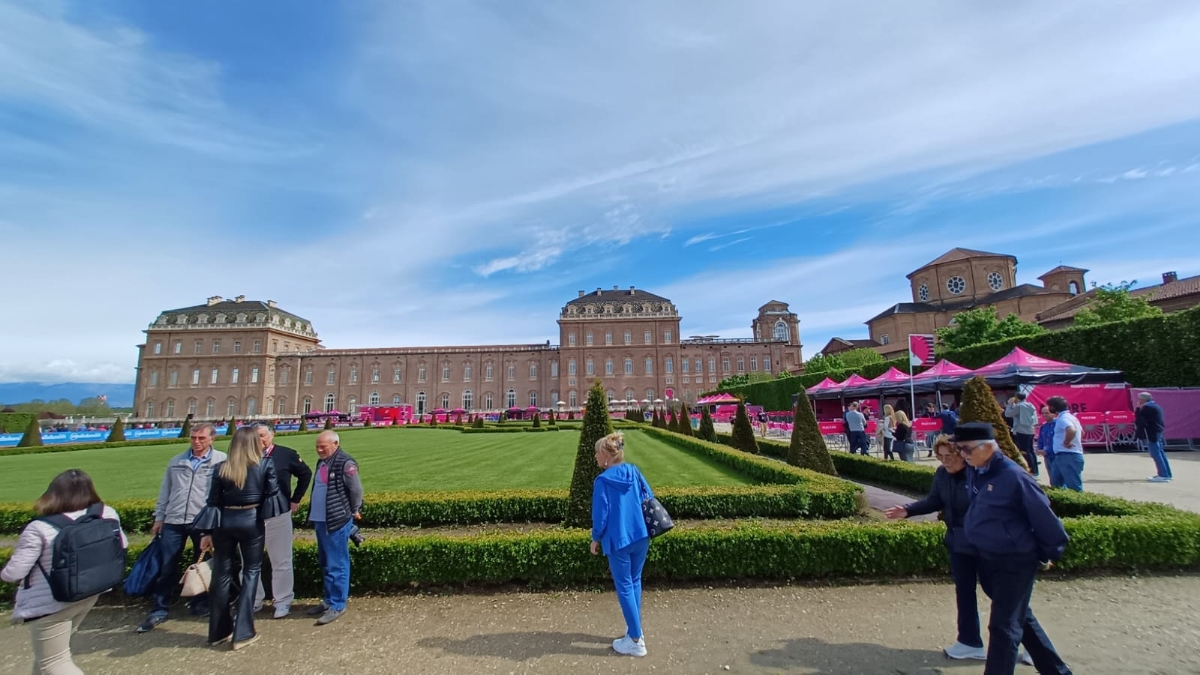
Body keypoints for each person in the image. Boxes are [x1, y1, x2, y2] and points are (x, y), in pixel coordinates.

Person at [956, 423, 1072, 675]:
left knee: (1003, 627)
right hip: (988, 558)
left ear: (988, 447)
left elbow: (1044, 517)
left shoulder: (1013, 475)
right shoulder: (977, 470)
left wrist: (1049, 553)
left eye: (966, 449)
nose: (963, 454)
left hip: (1014, 560)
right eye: (960, 449)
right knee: (1021, 620)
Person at [2, 470, 129, 674]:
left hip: (50, 603)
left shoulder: (39, 528)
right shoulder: (106, 513)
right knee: (49, 657)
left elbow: (14, 573)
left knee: (54, 662)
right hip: (88, 592)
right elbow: (123, 544)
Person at [197, 427, 288, 650]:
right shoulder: (264, 464)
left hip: (224, 522)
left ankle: (219, 631)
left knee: (221, 574)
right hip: (250, 520)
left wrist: (206, 533)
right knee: (251, 572)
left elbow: (213, 502)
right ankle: (243, 631)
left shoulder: (221, 468)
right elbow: (273, 494)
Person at [138, 422, 228, 633]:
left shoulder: (221, 461)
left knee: (203, 566)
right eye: (194, 438)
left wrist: (215, 524)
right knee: (167, 566)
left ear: (212, 439)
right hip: (174, 520)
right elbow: (165, 491)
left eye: (202, 438)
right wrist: (159, 517)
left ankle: (199, 603)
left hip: (202, 521)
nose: (197, 442)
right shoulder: (176, 461)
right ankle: (160, 607)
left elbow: (223, 495)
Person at [590, 432, 654, 658]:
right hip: (641, 535)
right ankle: (634, 628)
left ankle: (636, 640)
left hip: (619, 539)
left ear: (606, 456)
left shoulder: (603, 480)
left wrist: (595, 538)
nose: (595, 458)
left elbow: (601, 515)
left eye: (597, 453)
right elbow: (649, 496)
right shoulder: (634, 471)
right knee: (634, 581)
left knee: (625, 586)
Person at [252, 423, 313, 618]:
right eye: (255, 436)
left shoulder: (286, 454)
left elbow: (305, 473)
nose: (259, 440)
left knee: (281, 560)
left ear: (272, 435)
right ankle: (253, 601)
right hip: (250, 515)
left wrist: (296, 499)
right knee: (249, 562)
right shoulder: (244, 456)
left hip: (278, 513)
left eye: (262, 435)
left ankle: (283, 601)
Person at [305, 430, 363, 625]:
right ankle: (329, 600)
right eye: (317, 446)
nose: (319, 450)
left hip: (336, 519)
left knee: (337, 563)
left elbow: (356, 489)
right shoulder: (323, 462)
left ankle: (338, 604)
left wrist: (354, 510)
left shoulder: (345, 463)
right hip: (322, 520)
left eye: (323, 446)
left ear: (335, 444)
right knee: (326, 561)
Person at [1047, 397, 1084, 492]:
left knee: (1073, 487)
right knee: (1056, 485)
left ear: (1053, 407)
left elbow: (1071, 430)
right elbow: (1082, 432)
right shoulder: (1072, 417)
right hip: (1061, 455)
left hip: (1068, 455)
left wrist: (1066, 442)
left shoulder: (1063, 418)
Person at [1135, 392, 1171, 483]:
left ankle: (1163, 475)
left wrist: (1138, 408)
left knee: (1155, 453)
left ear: (1142, 400)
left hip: (1152, 433)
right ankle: (1166, 474)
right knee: (1160, 453)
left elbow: (1139, 419)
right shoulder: (1156, 406)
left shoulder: (1146, 408)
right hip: (1158, 432)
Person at [1005, 394, 1040, 476]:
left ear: (1017, 398)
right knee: (1030, 450)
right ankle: (1035, 470)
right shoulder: (1030, 405)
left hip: (1021, 431)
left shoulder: (1020, 406)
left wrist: (1010, 404)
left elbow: (1008, 414)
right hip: (1031, 430)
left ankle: (1029, 469)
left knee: (1024, 451)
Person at [1035, 406, 1058, 487]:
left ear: (1053, 413)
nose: (1044, 415)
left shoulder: (1058, 424)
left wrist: (1047, 450)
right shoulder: (1044, 427)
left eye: (1047, 413)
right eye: (1043, 413)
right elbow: (1040, 440)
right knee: (1052, 479)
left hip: (1057, 456)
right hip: (1047, 456)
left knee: (1058, 479)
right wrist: (1039, 449)